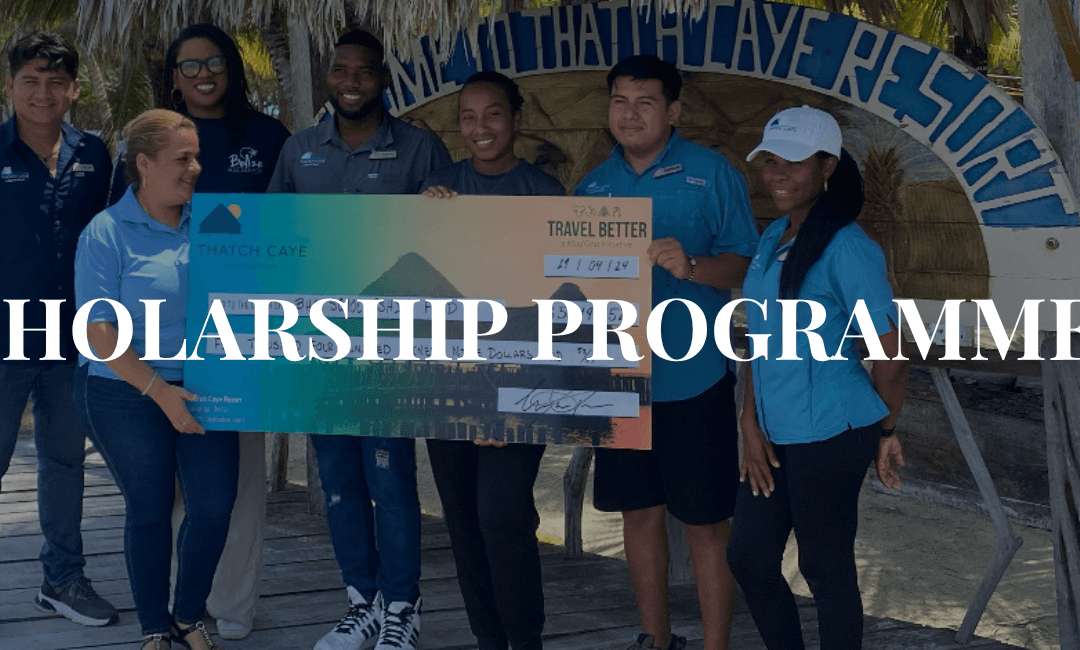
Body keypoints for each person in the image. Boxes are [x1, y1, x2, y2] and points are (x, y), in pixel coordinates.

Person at [105, 24, 293, 642]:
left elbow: (298, 228)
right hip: (160, 340)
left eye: (214, 61)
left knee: (235, 485)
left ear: (232, 67)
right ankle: (175, 607)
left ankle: (232, 604)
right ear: (173, 76)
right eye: (189, 65)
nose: (203, 73)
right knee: (167, 488)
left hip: (242, 339)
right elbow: (119, 229)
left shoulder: (268, 137)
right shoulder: (144, 138)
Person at [0, 30, 117, 647]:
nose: (43, 94)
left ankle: (63, 580)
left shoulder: (95, 155)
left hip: (72, 344)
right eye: (30, 81)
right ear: (10, 86)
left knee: (65, 463)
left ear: (74, 89)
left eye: (55, 82)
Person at [268, 28, 450, 650]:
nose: (350, 82)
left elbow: (448, 240)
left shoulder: (421, 149)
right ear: (328, 78)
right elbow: (273, 240)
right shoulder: (298, 150)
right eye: (341, 71)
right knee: (338, 481)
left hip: (390, 349)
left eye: (364, 72)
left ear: (384, 80)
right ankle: (361, 603)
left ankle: (402, 606)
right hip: (318, 346)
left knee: (390, 480)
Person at [570, 54, 758, 650]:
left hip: (695, 377)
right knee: (639, 512)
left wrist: (693, 266)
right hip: (619, 380)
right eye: (619, 101)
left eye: (645, 102)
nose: (630, 114)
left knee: (705, 522)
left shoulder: (712, 173)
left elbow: (747, 264)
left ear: (673, 111)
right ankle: (655, 638)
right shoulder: (591, 188)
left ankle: (715, 645)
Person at [725, 106, 907, 650]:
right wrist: (749, 420)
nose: (777, 173)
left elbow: (891, 355)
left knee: (824, 568)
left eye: (794, 162)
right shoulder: (773, 235)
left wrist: (886, 431)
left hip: (832, 431)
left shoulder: (848, 247)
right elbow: (761, 336)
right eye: (770, 161)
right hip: (773, 432)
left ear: (827, 166)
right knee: (749, 557)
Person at [74, 109, 239, 650]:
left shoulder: (216, 220)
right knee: (149, 509)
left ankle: (187, 616)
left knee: (213, 507)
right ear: (144, 164)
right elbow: (98, 332)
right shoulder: (106, 232)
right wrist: (160, 392)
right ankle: (153, 628)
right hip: (124, 390)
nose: (195, 168)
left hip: (207, 384)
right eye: (182, 159)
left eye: (197, 157)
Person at [418, 71, 564, 650]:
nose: (480, 127)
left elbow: (560, 306)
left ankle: (524, 639)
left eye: (493, 114)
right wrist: (422, 222)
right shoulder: (438, 188)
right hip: (448, 382)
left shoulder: (546, 194)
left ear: (517, 120)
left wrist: (507, 403)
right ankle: (488, 639)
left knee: (502, 515)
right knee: (461, 520)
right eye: (468, 117)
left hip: (520, 386)